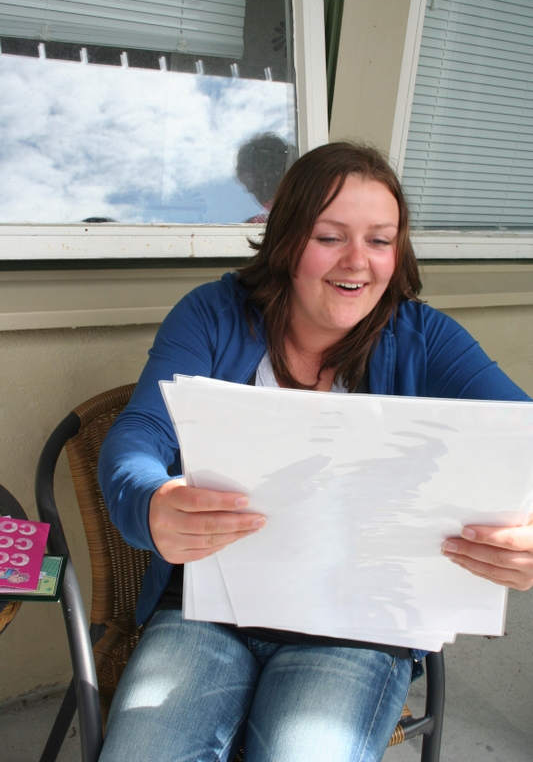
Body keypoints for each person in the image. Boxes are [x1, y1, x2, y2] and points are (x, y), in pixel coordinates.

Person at [97, 142, 533, 762]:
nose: (358, 261)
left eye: (380, 241)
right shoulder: (213, 315)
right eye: (330, 237)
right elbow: (139, 435)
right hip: (209, 606)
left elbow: (522, 437)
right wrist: (151, 502)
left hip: (361, 623)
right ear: (286, 240)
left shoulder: (423, 337)